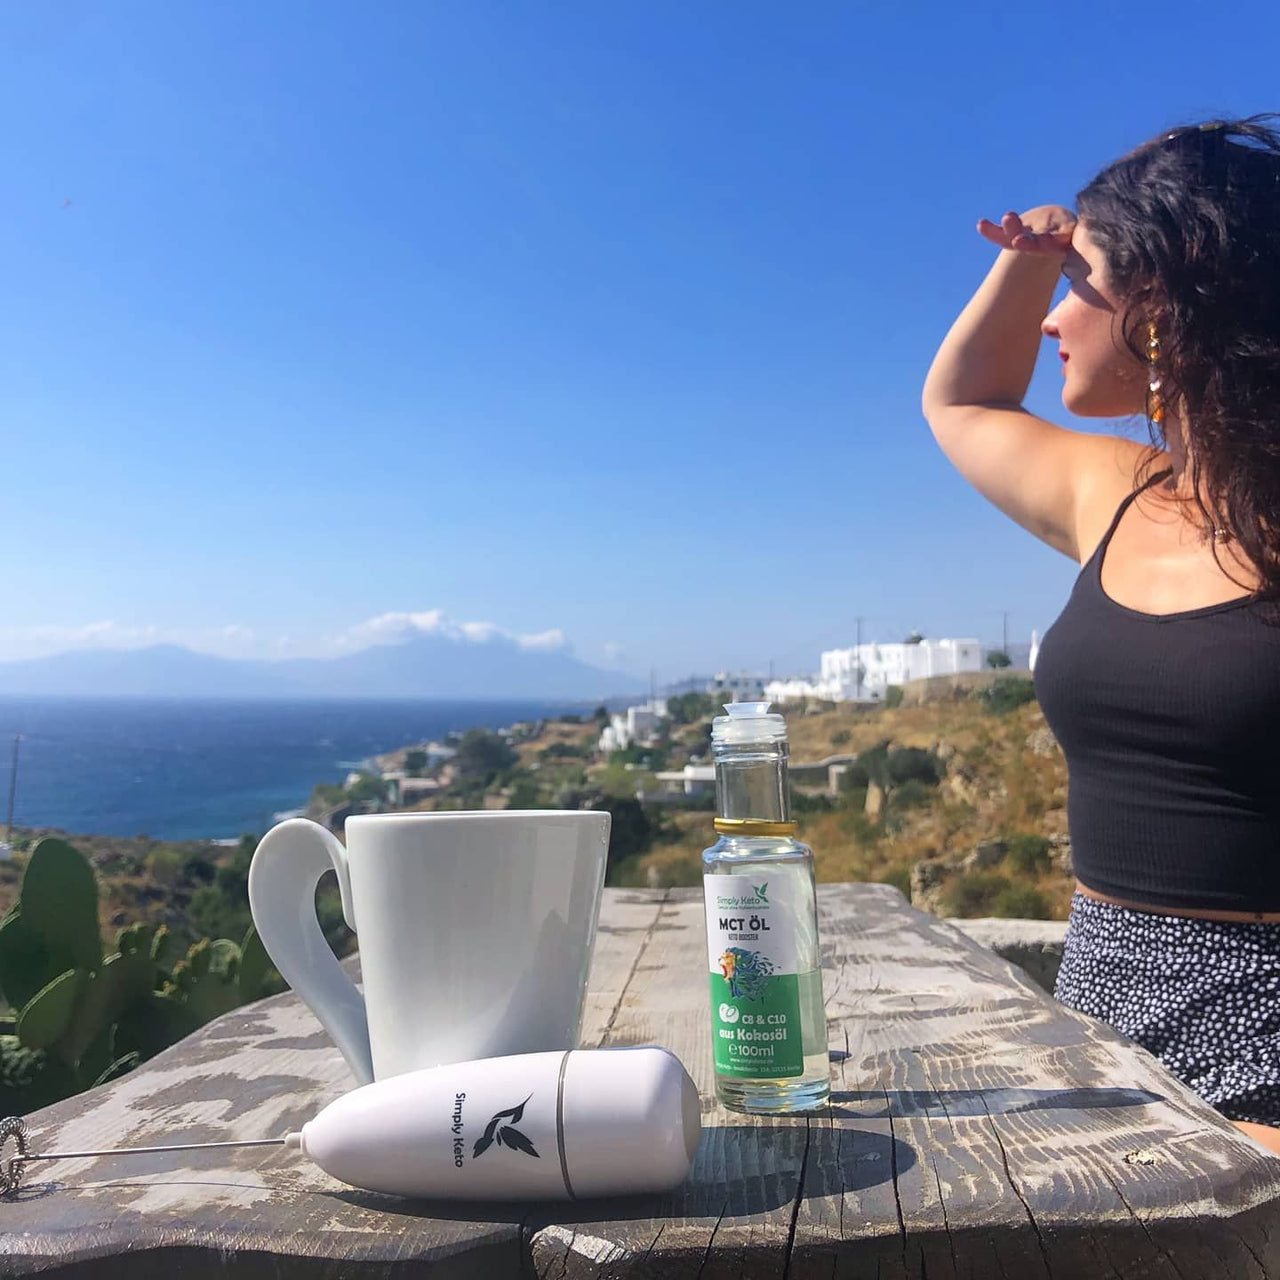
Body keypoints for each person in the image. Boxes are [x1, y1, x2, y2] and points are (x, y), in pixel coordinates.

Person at [921, 116, 1280, 1154]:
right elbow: (963, 400)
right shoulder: (1119, 493)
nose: (1049, 318)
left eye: (1078, 280)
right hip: (1100, 1055)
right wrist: (1029, 259)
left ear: (1158, 299)